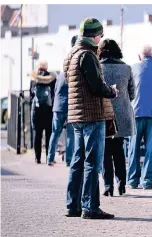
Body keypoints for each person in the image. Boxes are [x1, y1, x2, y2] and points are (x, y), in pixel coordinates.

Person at [64, 18, 118, 219]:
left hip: (76, 116)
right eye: (100, 36)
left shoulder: (71, 54)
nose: (100, 39)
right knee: (92, 162)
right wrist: (111, 91)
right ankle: (90, 206)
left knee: (77, 160)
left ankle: (72, 205)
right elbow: (96, 86)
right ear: (94, 36)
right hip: (92, 115)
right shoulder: (87, 55)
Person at [98, 38, 136, 196]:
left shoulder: (98, 67)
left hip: (103, 113)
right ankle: (121, 184)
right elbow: (132, 92)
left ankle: (108, 186)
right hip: (122, 114)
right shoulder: (127, 68)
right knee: (119, 149)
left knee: (105, 150)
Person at [128, 45, 152, 190]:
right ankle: (148, 181)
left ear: (139, 57)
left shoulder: (132, 68)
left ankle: (132, 180)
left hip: (135, 111)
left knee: (133, 147)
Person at [46, 36, 78, 167]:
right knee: (70, 135)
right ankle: (69, 160)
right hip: (70, 107)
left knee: (55, 133)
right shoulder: (73, 75)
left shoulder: (60, 76)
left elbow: (55, 91)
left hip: (58, 107)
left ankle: (50, 158)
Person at [30, 60, 56, 164]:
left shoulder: (33, 79)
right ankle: (48, 157)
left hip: (37, 109)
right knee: (49, 134)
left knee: (38, 134)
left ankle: (37, 158)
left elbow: (32, 94)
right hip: (48, 110)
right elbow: (54, 92)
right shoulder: (52, 78)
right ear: (46, 67)